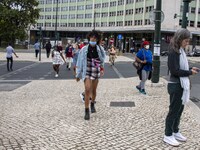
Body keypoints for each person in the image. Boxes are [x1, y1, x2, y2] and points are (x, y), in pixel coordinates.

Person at [163, 28, 199, 147]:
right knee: (174, 111)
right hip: (175, 85)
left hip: (181, 85)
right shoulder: (174, 51)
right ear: (180, 39)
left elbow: (180, 69)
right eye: (186, 40)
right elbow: (175, 71)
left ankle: (175, 131)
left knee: (179, 110)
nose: (187, 43)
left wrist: (190, 70)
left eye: (188, 41)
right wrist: (189, 73)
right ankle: (168, 135)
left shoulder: (180, 51)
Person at [76, 30, 106, 120]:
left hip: (95, 68)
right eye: (92, 37)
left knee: (94, 90)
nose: (93, 39)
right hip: (87, 69)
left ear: (97, 39)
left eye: (95, 38)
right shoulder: (84, 49)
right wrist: (78, 74)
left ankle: (92, 103)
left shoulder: (100, 49)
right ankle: (86, 111)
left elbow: (102, 60)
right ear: (89, 38)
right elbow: (80, 61)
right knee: (87, 89)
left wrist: (101, 68)